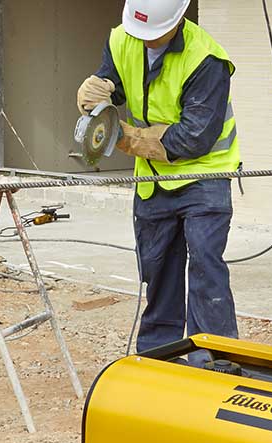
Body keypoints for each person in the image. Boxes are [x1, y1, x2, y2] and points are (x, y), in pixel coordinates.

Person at [77, 0, 240, 361]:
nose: (145, 40)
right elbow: (115, 84)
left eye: (154, 33)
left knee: (205, 267)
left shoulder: (206, 60)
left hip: (204, 176)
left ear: (178, 20)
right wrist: (98, 94)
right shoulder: (123, 38)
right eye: (139, 33)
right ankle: (158, 357)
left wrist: (123, 137)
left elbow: (194, 138)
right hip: (153, 180)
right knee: (159, 268)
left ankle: (213, 359)